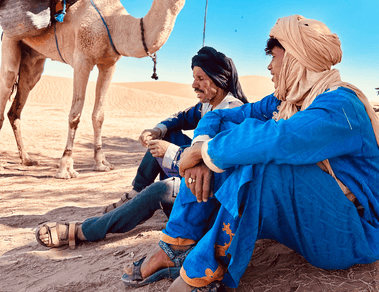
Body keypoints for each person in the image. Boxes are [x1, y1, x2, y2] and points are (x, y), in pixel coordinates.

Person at [121, 15, 379, 292]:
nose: (269, 66)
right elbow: (223, 118)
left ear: (295, 58)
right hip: (308, 220)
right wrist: (200, 147)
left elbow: (281, 139)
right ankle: (174, 248)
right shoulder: (287, 100)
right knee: (231, 146)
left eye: (274, 57)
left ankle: (202, 273)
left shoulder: (340, 105)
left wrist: (206, 151)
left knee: (262, 164)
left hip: (349, 235)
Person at [35, 46, 248, 253]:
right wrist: (158, 130)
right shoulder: (209, 105)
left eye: (200, 79)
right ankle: (136, 194)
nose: (194, 84)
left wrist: (171, 153)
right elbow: (182, 117)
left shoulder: (234, 112)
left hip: (207, 201)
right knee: (166, 138)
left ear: (219, 80)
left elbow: (221, 165)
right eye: (194, 78)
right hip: (191, 178)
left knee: (162, 189)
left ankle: (82, 231)